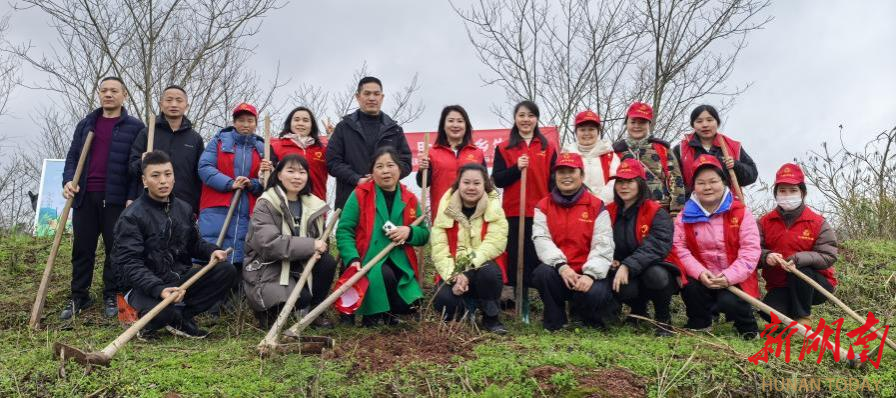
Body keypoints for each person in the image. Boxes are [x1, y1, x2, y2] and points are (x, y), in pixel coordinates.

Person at [114, 151, 234, 339]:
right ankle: (148, 319)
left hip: (178, 278)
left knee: (226, 271)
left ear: (174, 177)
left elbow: (194, 244)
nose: (163, 181)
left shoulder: (183, 208)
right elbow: (130, 264)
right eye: (155, 175)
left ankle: (181, 318)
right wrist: (158, 289)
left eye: (167, 174)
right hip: (144, 286)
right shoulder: (131, 217)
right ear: (144, 181)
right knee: (163, 313)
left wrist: (213, 251)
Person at [60, 76, 145, 320]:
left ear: (124, 95)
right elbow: (72, 157)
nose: (108, 94)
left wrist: (132, 197)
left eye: (114, 91)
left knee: (115, 249)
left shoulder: (135, 127)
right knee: (82, 249)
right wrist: (68, 181)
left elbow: (135, 167)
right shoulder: (87, 123)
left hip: (117, 199)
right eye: (104, 90)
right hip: (85, 196)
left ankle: (112, 295)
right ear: (99, 94)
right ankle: (79, 297)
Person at [335, 147, 429, 326]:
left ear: (400, 169)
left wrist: (409, 231)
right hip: (368, 259)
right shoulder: (360, 194)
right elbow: (344, 230)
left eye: (390, 165)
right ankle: (375, 315)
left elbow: (424, 234)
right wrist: (352, 257)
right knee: (383, 274)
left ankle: (390, 313)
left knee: (410, 305)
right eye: (379, 166)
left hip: (400, 260)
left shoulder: (409, 198)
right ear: (372, 172)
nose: (385, 171)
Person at [243, 155, 337, 328]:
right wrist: (310, 245)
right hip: (269, 267)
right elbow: (269, 244)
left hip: (299, 264)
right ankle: (269, 314)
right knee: (301, 298)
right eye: (291, 171)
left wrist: (318, 249)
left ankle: (314, 312)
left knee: (327, 262)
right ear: (278, 174)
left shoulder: (314, 205)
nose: (297, 177)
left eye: (302, 172)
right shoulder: (266, 203)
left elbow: (322, 243)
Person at [674, 154, 761, 339]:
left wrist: (728, 276)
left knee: (731, 301)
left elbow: (750, 251)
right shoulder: (684, 216)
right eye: (701, 182)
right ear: (693, 187)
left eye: (713, 181)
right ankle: (700, 322)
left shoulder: (741, 212)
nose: (707, 187)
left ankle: (747, 327)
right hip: (703, 275)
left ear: (723, 182)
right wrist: (699, 272)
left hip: (734, 277)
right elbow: (679, 248)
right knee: (690, 287)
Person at [531, 152, 614, 331]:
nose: (566, 176)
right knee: (542, 273)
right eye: (561, 172)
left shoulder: (596, 205)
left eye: (571, 171)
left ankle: (586, 319)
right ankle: (555, 321)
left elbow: (603, 243)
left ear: (582, 175)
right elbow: (541, 239)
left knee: (596, 293)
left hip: (588, 271)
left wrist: (590, 274)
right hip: (560, 270)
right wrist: (561, 266)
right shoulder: (543, 206)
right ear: (555, 176)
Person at [605, 159, 680, 336]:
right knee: (617, 281)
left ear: (640, 184)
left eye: (629, 182)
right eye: (620, 182)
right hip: (625, 270)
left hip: (656, 268)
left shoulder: (657, 212)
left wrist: (628, 265)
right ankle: (637, 313)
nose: (624, 186)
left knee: (656, 275)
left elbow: (657, 246)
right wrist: (611, 259)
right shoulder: (608, 211)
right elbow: (601, 241)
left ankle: (663, 319)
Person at [430, 163, 508, 334]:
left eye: (477, 183)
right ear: (459, 184)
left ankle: (491, 318)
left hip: (480, 267)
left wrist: (466, 268)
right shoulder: (445, 208)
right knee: (443, 299)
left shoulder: (494, 208)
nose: (471, 187)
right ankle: (467, 312)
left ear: (485, 185)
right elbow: (439, 248)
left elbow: (495, 243)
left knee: (490, 273)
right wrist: (454, 275)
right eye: (466, 182)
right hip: (452, 270)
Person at [492, 100, 557, 300]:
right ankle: (518, 298)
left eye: (530, 115)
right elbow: (498, 179)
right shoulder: (504, 148)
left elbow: (554, 181)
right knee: (515, 256)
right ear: (515, 118)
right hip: (514, 211)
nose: (526, 120)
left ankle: (542, 298)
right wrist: (516, 169)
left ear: (536, 119)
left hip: (540, 211)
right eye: (521, 115)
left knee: (537, 255)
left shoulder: (549, 147)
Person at [758, 163, 837, 325]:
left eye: (793, 190)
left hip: (815, 285)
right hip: (780, 285)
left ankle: (803, 318)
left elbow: (829, 255)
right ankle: (790, 316)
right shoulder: (764, 222)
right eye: (782, 191)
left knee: (801, 268)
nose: (787, 195)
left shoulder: (817, 222)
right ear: (775, 194)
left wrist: (801, 258)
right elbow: (751, 251)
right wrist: (766, 256)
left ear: (803, 193)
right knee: (769, 314)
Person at [197, 102, 273, 267]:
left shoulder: (263, 148)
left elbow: (267, 183)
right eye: (241, 120)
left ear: (256, 123)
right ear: (234, 122)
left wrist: (254, 183)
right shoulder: (218, 141)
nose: (245, 124)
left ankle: (236, 290)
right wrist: (230, 183)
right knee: (212, 249)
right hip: (218, 206)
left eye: (250, 120)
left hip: (248, 208)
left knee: (242, 253)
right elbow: (204, 167)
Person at [326, 76, 412, 209]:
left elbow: (406, 163)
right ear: (358, 97)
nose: (372, 98)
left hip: (387, 201)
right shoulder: (343, 128)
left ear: (382, 97)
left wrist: (384, 177)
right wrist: (356, 179)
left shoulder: (395, 130)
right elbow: (333, 162)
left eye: (376, 94)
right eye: (367, 93)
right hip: (351, 200)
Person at [128, 85, 205, 215]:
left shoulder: (195, 139)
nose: (174, 104)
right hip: (148, 205)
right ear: (161, 104)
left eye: (179, 100)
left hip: (184, 206)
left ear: (187, 106)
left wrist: (197, 207)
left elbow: (199, 176)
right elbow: (131, 169)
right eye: (169, 100)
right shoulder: (147, 133)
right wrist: (142, 161)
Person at [612, 102, 685, 214]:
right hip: (626, 211)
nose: (637, 126)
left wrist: (676, 212)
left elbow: (676, 180)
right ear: (626, 122)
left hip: (659, 210)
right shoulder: (616, 151)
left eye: (642, 122)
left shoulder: (662, 149)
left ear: (649, 124)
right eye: (633, 122)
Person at [416, 105, 486, 219]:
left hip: (472, 215)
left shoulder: (477, 153)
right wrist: (421, 169)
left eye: (460, 121)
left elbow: (486, 184)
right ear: (443, 125)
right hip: (442, 214)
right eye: (451, 121)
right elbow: (422, 183)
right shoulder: (432, 153)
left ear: (466, 126)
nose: (455, 125)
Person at [673, 105, 758, 196]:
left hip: (728, 205)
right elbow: (673, 182)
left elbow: (752, 176)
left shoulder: (733, 147)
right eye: (699, 121)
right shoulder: (681, 149)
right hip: (693, 205)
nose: (705, 125)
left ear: (717, 122)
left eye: (709, 120)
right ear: (693, 125)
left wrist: (736, 165)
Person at [270, 106, 328, 201]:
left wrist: (334, 139)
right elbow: (268, 177)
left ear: (312, 125)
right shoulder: (276, 146)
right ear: (290, 123)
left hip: (316, 204)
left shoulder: (323, 148)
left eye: (305, 120)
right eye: (296, 120)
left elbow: (337, 166)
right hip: (284, 204)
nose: (301, 123)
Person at [564, 109, 619, 202]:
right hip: (575, 206)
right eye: (582, 129)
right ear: (576, 132)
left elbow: (616, 181)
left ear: (598, 132)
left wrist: (599, 201)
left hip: (605, 207)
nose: (586, 133)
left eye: (591, 129)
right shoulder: (566, 155)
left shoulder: (610, 156)